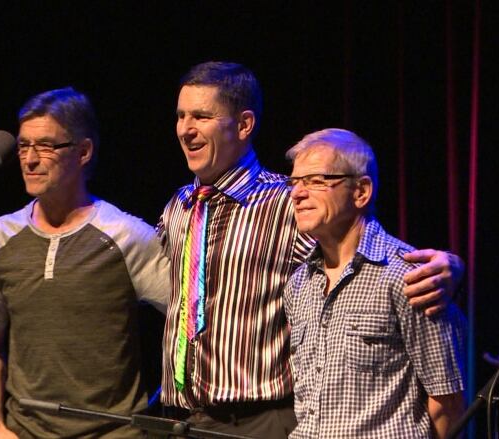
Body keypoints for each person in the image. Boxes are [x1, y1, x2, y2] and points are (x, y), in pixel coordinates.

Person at [157, 61, 463, 438]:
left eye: (201, 116)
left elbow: (365, 250)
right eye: (181, 115)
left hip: (259, 418)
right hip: (186, 417)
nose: (186, 128)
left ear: (244, 125)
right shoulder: (179, 206)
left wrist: (451, 265)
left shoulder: (284, 200)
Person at [0, 87, 169, 438]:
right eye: (23, 146)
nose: (29, 159)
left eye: (45, 146)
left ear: (84, 152)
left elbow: (192, 324)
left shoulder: (126, 235)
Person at [282, 128, 465, 438]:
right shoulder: (298, 285)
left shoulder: (412, 277)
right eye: (295, 182)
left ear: (361, 192)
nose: (298, 193)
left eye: (315, 181)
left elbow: (446, 402)